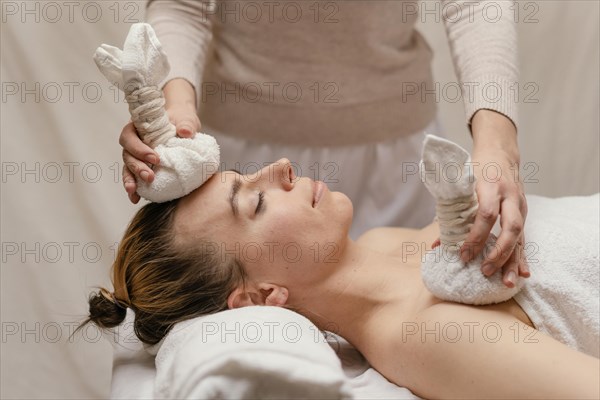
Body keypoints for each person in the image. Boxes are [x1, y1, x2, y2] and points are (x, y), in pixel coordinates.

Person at [81, 161, 598, 399]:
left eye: (248, 173)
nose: (279, 168)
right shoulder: (421, 337)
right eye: (256, 202)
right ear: (261, 297)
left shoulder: (379, 245)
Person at [118, 0, 528, 286]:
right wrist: (172, 110)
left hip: (397, 161)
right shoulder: (245, 191)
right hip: (240, 155)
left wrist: (498, 145)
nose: (288, 169)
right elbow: (182, 4)